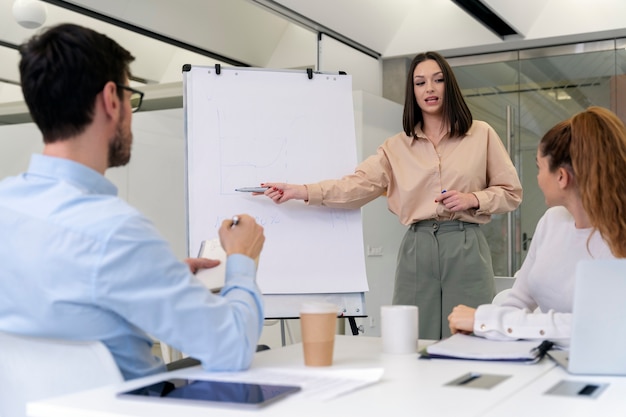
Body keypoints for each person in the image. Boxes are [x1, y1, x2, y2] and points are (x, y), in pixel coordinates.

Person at [0, 23, 266, 380]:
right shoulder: (116, 232)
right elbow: (232, 348)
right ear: (111, 99)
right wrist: (241, 260)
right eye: (130, 96)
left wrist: (157, 273)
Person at [259, 51, 522, 339]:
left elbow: (511, 192)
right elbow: (355, 187)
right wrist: (302, 191)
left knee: (470, 336)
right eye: (420, 83)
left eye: (438, 80)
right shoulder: (395, 147)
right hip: (417, 246)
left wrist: (474, 200)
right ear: (413, 92)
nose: (430, 89)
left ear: (450, 86)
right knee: (412, 338)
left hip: (466, 243)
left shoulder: (481, 134)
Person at [448, 106, 626, 344]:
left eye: (539, 168)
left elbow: (590, 325)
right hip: (544, 362)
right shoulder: (552, 222)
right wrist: (484, 328)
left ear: (562, 177)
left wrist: (487, 321)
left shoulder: (617, 240)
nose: (537, 178)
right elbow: (518, 301)